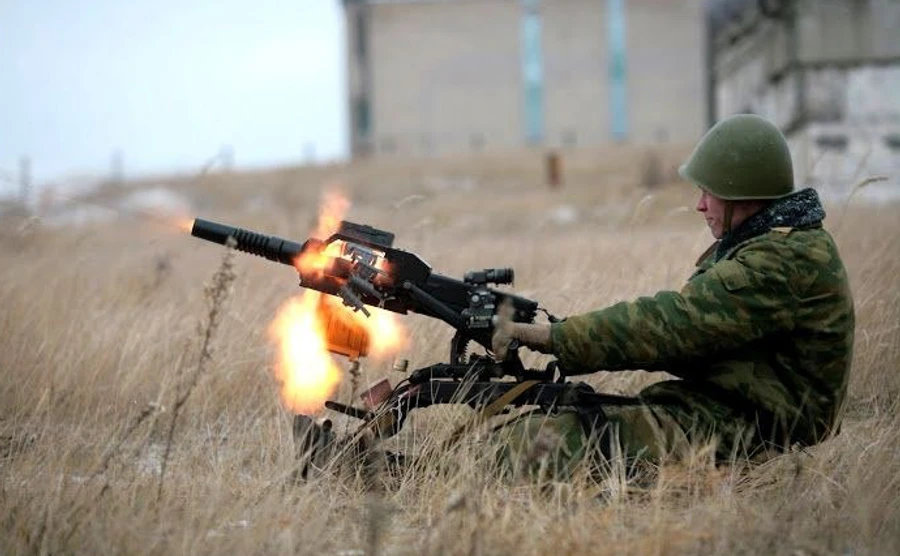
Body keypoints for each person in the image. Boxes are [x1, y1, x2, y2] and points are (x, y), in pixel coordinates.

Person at [491, 114, 855, 477]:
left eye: (709, 192)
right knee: (544, 425)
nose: (700, 205)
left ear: (741, 193)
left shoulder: (780, 260)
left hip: (757, 431)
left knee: (529, 446)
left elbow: (671, 325)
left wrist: (555, 337)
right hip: (732, 411)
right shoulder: (774, 243)